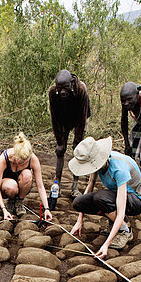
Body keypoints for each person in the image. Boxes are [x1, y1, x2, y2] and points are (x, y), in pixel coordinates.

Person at [69, 136, 141, 258]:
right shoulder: (98, 164)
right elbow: (90, 185)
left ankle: (125, 230)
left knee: (100, 197)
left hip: (136, 200)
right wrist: (79, 221)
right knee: (78, 202)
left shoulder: (119, 169)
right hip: (115, 195)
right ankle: (114, 222)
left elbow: (121, 207)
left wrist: (106, 244)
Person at [49, 69, 91, 199]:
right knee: (60, 150)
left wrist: (77, 140)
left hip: (79, 116)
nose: (62, 91)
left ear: (71, 84)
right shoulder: (52, 92)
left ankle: (75, 186)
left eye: (65, 88)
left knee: (78, 150)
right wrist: (60, 142)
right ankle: (57, 184)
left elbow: (82, 118)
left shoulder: (81, 90)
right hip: (62, 118)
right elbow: (54, 118)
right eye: (59, 88)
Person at [0, 132, 52, 222]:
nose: (23, 163)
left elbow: (40, 186)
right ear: (15, 156)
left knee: (28, 174)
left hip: (23, 185)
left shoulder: (33, 159)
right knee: (11, 186)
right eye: (21, 162)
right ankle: (11, 201)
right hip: (6, 186)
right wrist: (4, 210)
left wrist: (47, 209)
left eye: (25, 161)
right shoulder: (4, 158)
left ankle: (19, 201)